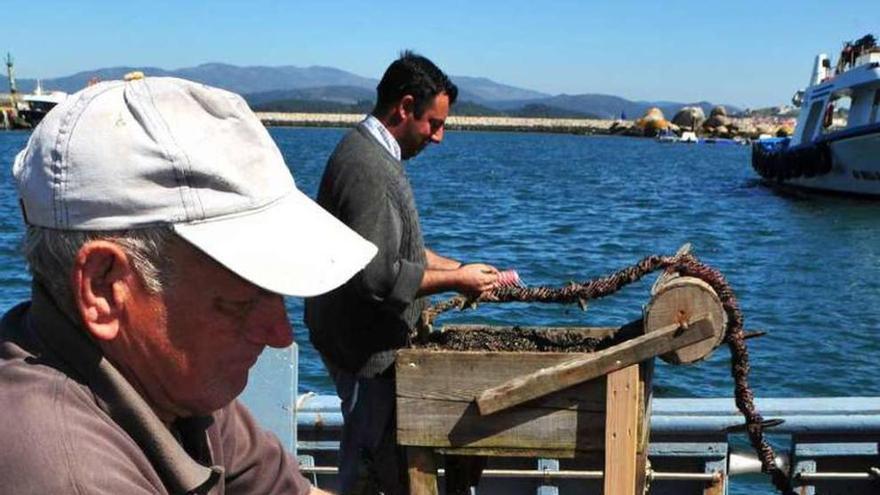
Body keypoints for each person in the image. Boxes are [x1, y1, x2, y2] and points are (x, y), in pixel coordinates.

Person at [0, 75, 379, 494]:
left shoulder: (173, 386)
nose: (281, 334)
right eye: (242, 301)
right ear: (105, 288)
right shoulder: (67, 472)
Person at [305, 51, 500, 494]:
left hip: (360, 348)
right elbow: (377, 276)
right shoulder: (368, 168)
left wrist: (456, 266)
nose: (438, 138)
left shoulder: (372, 154)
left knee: (374, 462)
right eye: (434, 123)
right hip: (363, 355)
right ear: (405, 107)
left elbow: (394, 247)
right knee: (370, 472)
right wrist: (457, 280)